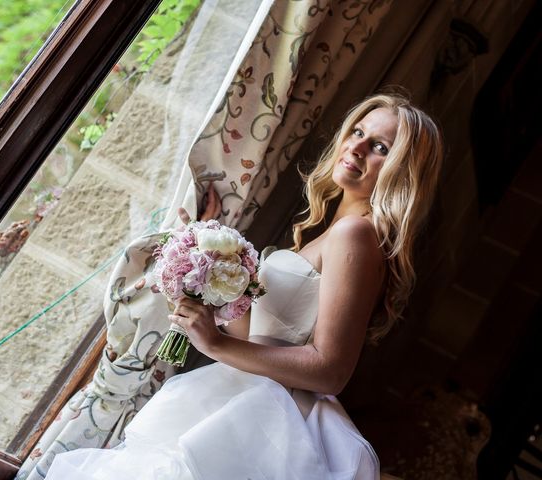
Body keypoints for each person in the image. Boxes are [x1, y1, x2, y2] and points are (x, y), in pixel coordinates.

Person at [44, 92, 443, 479]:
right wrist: (202, 264)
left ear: (403, 171)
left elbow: (330, 371)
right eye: (357, 132)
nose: (356, 148)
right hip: (240, 397)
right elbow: (262, 337)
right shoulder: (332, 234)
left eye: (380, 147)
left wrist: (216, 345)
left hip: (264, 417)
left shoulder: (355, 235)